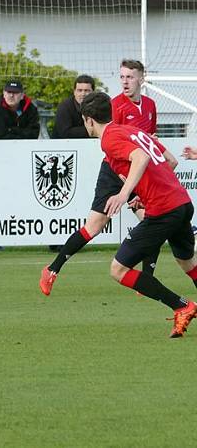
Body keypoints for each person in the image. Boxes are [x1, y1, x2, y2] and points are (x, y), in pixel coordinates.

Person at [40, 60, 164, 295]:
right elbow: (112, 143)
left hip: (137, 169)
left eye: (129, 77)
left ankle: (146, 279)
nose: (125, 81)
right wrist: (124, 190)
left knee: (151, 220)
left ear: (141, 79)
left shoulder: (150, 105)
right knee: (94, 227)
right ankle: (52, 269)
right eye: (122, 77)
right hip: (115, 170)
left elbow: (147, 140)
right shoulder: (114, 105)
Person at [80, 91, 197, 337]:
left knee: (118, 270)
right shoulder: (131, 131)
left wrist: (124, 193)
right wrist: (144, 191)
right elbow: (171, 162)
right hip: (182, 202)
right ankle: (182, 307)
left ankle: (181, 305)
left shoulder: (109, 138)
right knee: (188, 262)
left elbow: (141, 157)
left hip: (164, 210)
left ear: (89, 119)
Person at [47, 75, 95, 251]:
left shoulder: (95, 107)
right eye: (79, 90)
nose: (83, 94)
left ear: (92, 91)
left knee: (82, 199)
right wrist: (90, 131)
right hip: (61, 161)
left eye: (87, 90)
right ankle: (55, 240)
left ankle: (80, 237)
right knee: (62, 201)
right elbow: (65, 132)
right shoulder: (65, 107)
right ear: (74, 91)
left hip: (85, 160)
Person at [0, 80, 40, 169]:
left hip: (24, 152)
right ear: (4, 93)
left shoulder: (31, 108)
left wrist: (12, 130)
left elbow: (33, 134)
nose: (11, 95)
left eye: (15, 93)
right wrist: (21, 132)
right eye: (9, 92)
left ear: (22, 95)